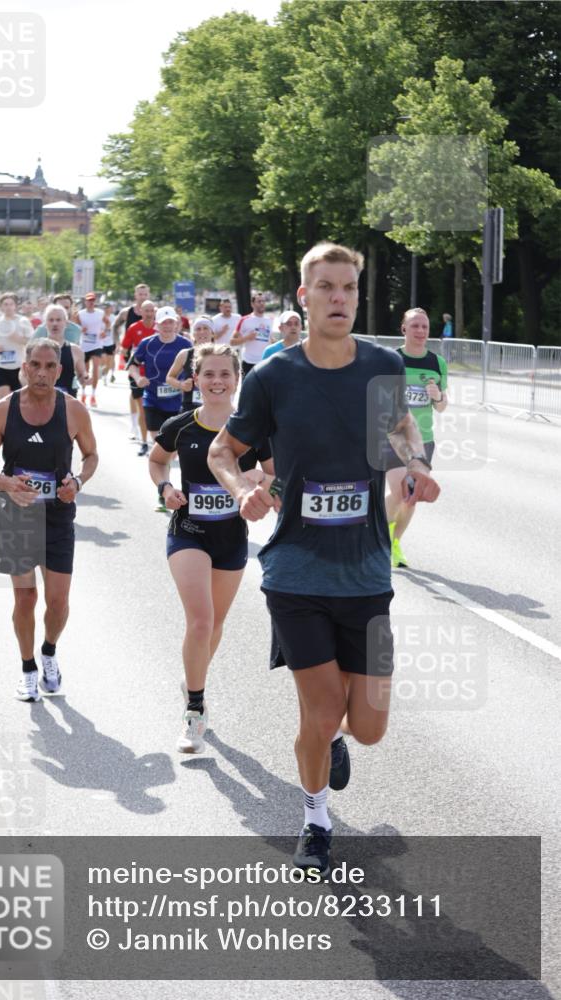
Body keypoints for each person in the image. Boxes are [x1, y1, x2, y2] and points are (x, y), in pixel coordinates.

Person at [208, 242, 440, 877]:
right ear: (304, 296)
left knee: (367, 726)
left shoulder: (380, 365)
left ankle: (337, 742)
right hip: (297, 572)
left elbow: (399, 433)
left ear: (358, 297)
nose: (339, 298)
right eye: (326, 287)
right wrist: (242, 489)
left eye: (349, 288)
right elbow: (223, 451)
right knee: (318, 707)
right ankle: (315, 819)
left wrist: (416, 466)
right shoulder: (274, 377)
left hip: (366, 569)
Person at [149, 344, 274, 752]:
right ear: (196, 379)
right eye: (209, 374)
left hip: (232, 537)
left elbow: (276, 473)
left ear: (238, 379)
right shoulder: (181, 425)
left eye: (225, 374)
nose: (217, 382)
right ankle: (195, 710)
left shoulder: (254, 430)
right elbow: (157, 460)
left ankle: (193, 678)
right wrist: (165, 486)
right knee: (200, 621)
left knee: (215, 625)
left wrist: (258, 482)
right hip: (188, 531)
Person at [0, 339, 98, 702]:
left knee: (57, 602)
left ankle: (48, 651)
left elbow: (91, 456)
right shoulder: (2, 410)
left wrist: (77, 481)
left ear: (59, 370)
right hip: (16, 516)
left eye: (49, 366)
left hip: (58, 517)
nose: (42, 373)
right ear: (24, 367)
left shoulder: (74, 410)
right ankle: (28, 667)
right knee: (26, 598)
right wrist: (6, 482)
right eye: (35, 365)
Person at [385, 308, 448, 568]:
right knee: (401, 491)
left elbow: (443, 407)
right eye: (415, 326)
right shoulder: (392, 359)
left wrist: (438, 396)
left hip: (423, 440)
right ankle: (380, 538)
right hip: (393, 436)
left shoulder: (437, 363)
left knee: (411, 496)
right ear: (404, 329)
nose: (420, 331)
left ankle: (394, 543)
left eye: (424, 326)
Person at [126, 305, 192, 456]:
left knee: (172, 445)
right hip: (152, 397)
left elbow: (195, 369)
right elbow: (132, 365)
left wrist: (186, 384)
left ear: (176, 323)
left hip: (177, 399)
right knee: (157, 438)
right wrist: (138, 378)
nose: (167, 326)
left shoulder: (186, 345)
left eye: (170, 322)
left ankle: (163, 466)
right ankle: (161, 464)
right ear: (157, 324)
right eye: (163, 323)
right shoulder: (147, 343)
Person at [120, 299, 157, 447]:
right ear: (140, 312)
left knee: (155, 407)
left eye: (151, 311)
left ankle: (155, 438)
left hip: (155, 374)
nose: (149, 314)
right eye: (146, 311)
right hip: (137, 375)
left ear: (155, 312)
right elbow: (124, 349)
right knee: (142, 407)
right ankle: (143, 440)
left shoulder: (160, 329)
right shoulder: (134, 328)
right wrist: (131, 365)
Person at [0, 293, 34, 402]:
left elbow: (33, 342)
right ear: (1, 306)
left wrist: (18, 339)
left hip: (19, 366)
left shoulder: (23, 321)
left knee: (16, 400)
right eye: (5, 304)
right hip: (0, 365)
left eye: (11, 304)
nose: (8, 307)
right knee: (4, 399)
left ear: (16, 306)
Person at [165, 316, 214, 411]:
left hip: (214, 408)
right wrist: (181, 385)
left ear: (212, 333)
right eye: (198, 329)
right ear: (193, 334)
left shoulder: (222, 354)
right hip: (190, 408)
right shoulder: (184, 354)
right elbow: (169, 378)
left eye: (205, 328)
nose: (202, 332)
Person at [42, 304, 87, 397]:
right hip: (41, 401)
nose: (55, 323)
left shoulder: (75, 350)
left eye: (58, 320)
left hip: (67, 402)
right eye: (51, 320)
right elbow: (24, 374)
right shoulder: (35, 348)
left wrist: (86, 378)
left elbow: (82, 375)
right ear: (45, 324)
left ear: (66, 323)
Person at [230, 291, 273, 380]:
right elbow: (232, 341)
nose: (262, 303)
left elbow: (270, 340)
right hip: (248, 362)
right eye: (259, 301)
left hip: (265, 362)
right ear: (252, 304)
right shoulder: (245, 320)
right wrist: (247, 338)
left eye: (263, 301)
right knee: (247, 392)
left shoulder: (270, 320)